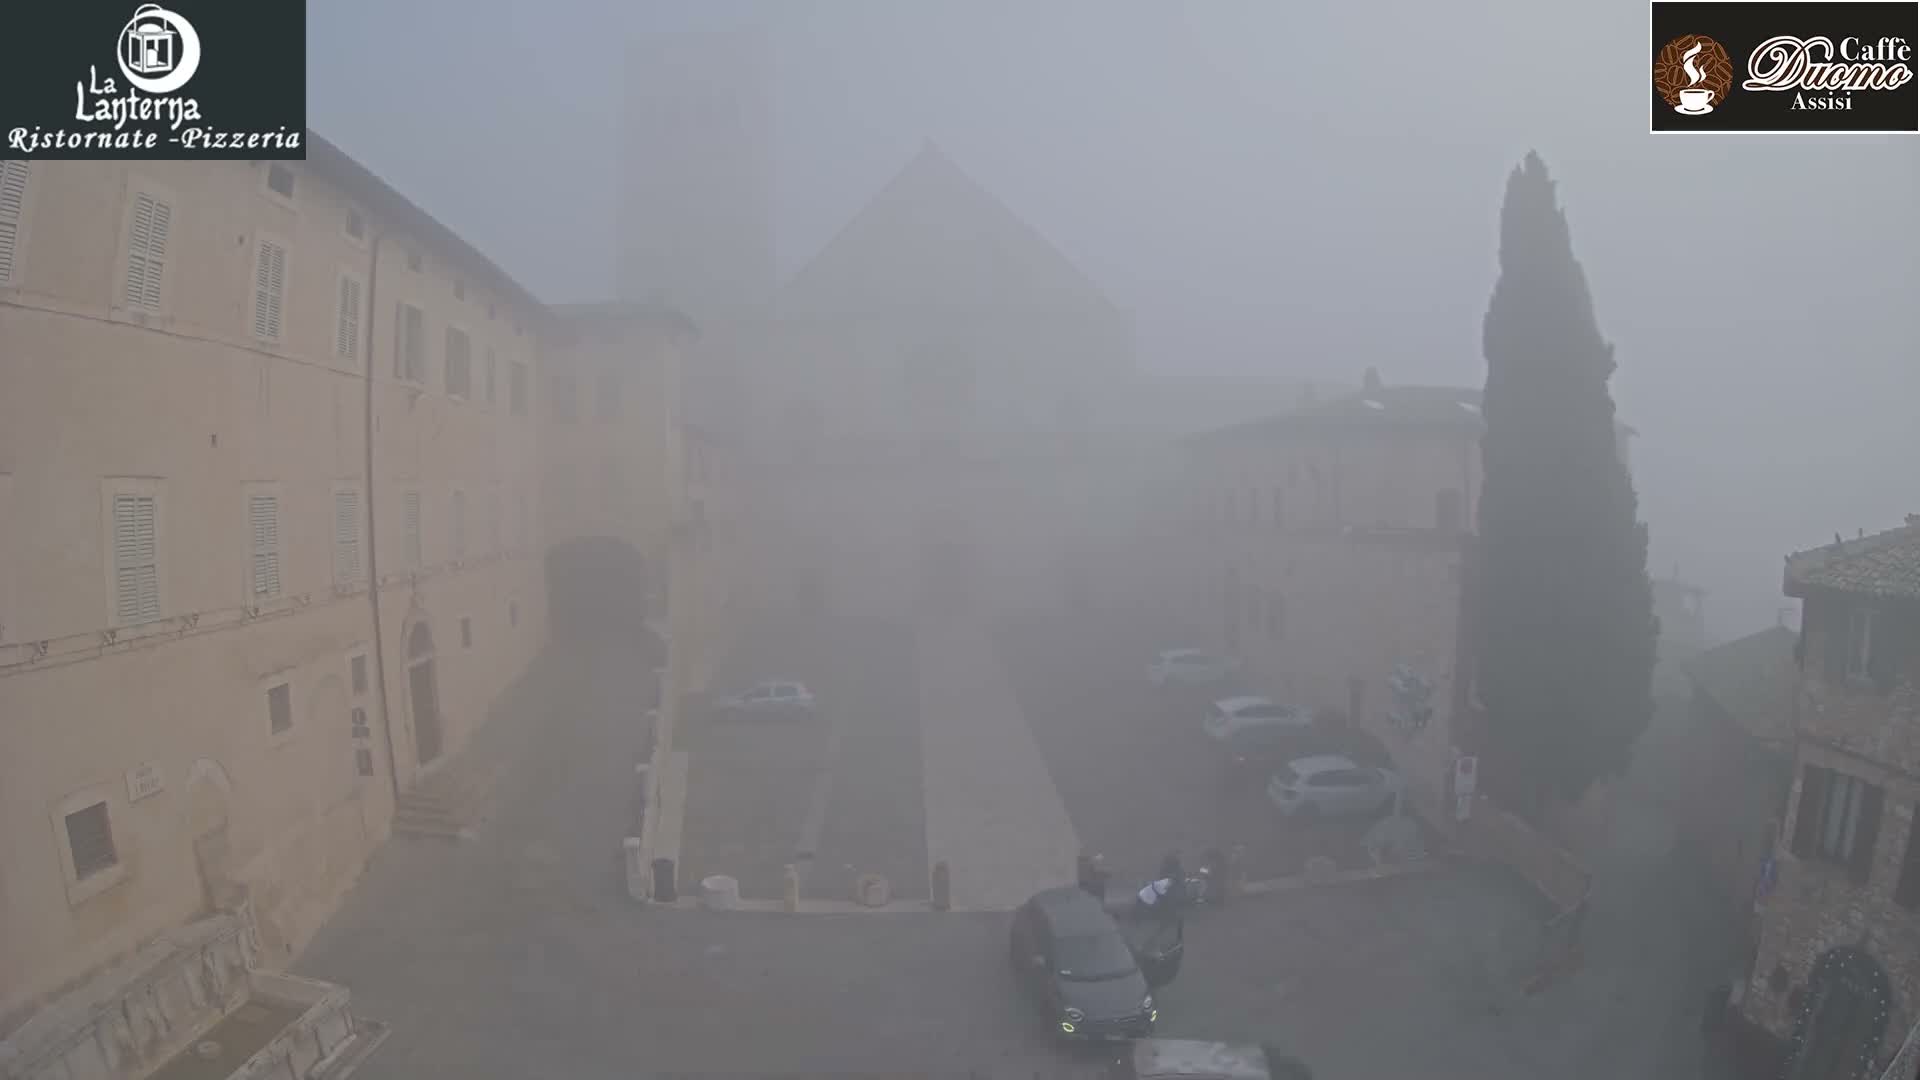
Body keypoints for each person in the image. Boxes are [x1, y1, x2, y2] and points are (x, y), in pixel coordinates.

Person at [1134, 853, 1185, 922]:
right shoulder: (1166, 870)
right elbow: (1161, 880)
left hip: (1171, 893)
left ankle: (1164, 914)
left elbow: (1176, 882)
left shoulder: (1178, 871)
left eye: (1169, 862)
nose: (1167, 864)